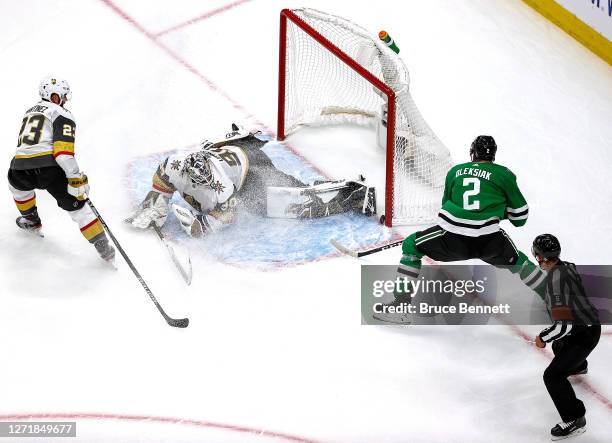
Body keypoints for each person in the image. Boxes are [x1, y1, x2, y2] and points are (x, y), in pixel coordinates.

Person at [375, 135, 546, 323]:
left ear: (472, 153)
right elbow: (520, 219)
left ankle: (400, 304)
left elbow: (446, 205)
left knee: (411, 245)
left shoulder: (455, 171)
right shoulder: (504, 174)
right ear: (493, 155)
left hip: (452, 240)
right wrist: (498, 210)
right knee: (519, 262)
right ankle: (555, 298)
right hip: (488, 241)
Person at [126, 124, 376, 236]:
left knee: (293, 202)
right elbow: (162, 180)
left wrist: (199, 226)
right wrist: (157, 204)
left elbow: (226, 217)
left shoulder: (220, 186)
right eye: (201, 181)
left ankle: (354, 194)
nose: (207, 183)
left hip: (253, 171)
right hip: (232, 152)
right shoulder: (175, 164)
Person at [7, 76, 115, 262]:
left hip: (19, 167)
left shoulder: (29, 112)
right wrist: (74, 177)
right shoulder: (61, 113)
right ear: (54, 96)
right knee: (78, 207)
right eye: (63, 96)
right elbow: (63, 154)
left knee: (17, 188)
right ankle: (104, 248)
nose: (64, 100)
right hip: (49, 169)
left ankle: (32, 221)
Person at [532, 234, 600, 441]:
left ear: (541, 257)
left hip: (583, 335)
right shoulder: (568, 266)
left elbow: (563, 326)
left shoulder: (555, 285)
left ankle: (575, 419)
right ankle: (578, 366)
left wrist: (543, 337)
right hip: (589, 325)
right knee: (560, 345)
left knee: (552, 376)